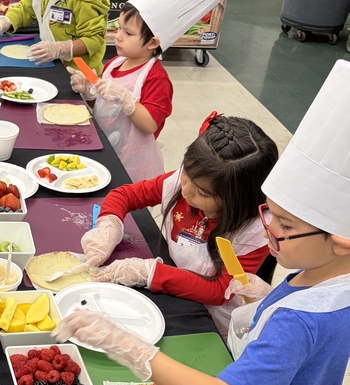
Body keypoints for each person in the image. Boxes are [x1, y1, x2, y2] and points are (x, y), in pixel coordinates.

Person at [56, 60, 350, 385]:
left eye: (283, 224)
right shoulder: (336, 282)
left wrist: (127, 344)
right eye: (268, 214)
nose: (269, 230)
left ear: (340, 241)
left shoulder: (300, 321)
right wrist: (269, 301)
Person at [80, 113, 279, 337]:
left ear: (237, 199)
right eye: (186, 173)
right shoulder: (184, 182)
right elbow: (125, 195)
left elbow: (219, 290)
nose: (186, 190)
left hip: (212, 322)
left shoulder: (254, 232)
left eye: (203, 193)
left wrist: (149, 272)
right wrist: (109, 226)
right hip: (174, 291)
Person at [70, 0, 218, 181]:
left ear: (152, 43)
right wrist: (89, 92)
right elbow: (103, 107)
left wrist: (126, 99)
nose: (118, 36)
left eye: (128, 33)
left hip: (133, 166)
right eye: (119, 28)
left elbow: (149, 125)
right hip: (104, 149)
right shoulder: (115, 63)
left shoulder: (156, 79)